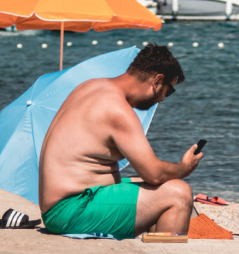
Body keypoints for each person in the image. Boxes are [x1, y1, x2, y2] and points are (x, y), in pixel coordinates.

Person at [38, 44, 198, 239]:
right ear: (157, 80)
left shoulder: (91, 86)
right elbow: (154, 173)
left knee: (158, 186)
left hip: (65, 204)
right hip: (71, 209)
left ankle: (155, 245)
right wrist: (185, 167)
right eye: (168, 91)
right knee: (178, 193)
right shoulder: (117, 109)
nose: (163, 99)